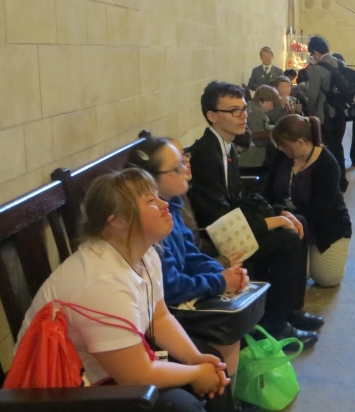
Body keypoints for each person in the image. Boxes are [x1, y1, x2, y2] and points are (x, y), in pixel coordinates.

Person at [16, 169, 232, 412]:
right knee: (181, 407)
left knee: (212, 361)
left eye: (157, 196)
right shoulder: (102, 282)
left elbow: (159, 317)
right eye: (151, 201)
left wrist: (195, 361)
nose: (164, 205)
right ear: (117, 221)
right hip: (66, 392)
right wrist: (195, 373)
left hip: (111, 367)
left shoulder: (146, 252)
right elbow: (137, 376)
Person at [188, 81, 322, 350]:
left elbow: (240, 199)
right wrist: (274, 221)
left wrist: (278, 212)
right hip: (214, 238)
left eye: (243, 109)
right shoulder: (205, 153)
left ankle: (291, 309)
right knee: (285, 240)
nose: (244, 116)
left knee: (298, 220)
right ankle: (273, 327)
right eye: (234, 111)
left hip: (229, 225)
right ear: (212, 116)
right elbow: (219, 217)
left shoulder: (225, 146)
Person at [127, 138, 248, 379]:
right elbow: (170, 287)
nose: (186, 168)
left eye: (184, 160)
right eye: (177, 167)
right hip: (155, 317)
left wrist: (221, 273)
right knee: (224, 338)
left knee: (234, 318)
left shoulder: (170, 205)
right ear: (150, 180)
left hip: (167, 308)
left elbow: (190, 252)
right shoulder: (151, 225)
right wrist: (220, 282)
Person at [267, 115, 353, 287]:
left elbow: (320, 210)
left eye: (284, 145)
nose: (281, 149)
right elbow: (268, 191)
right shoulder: (282, 156)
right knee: (295, 277)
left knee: (327, 279)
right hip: (288, 223)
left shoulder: (328, 164)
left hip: (325, 226)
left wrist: (291, 222)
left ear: (300, 142)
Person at [305, 35, 349, 192]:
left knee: (327, 149)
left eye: (312, 54)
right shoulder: (340, 63)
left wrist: (311, 116)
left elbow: (312, 96)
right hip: (341, 112)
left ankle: (331, 183)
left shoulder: (317, 70)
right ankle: (342, 180)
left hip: (325, 115)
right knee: (338, 146)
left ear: (316, 52)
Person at [238, 85, 279, 170]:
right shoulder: (256, 112)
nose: (272, 107)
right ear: (265, 100)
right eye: (272, 103)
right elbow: (257, 140)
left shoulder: (253, 106)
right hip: (252, 156)